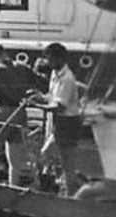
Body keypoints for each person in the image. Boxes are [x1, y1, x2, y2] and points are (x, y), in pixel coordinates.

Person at [0, 45, 37, 186]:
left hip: (2, 112)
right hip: (20, 112)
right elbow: (38, 80)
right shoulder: (22, 67)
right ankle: (13, 186)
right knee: (14, 157)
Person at [36, 42, 88, 196]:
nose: (48, 62)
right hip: (59, 123)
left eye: (50, 58)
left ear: (60, 58)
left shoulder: (67, 78)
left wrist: (38, 106)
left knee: (67, 164)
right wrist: (39, 97)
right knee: (45, 155)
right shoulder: (55, 74)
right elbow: (51, 98)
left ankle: (73, 195)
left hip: (68, 123)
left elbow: (60, 106)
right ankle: (58, 186)